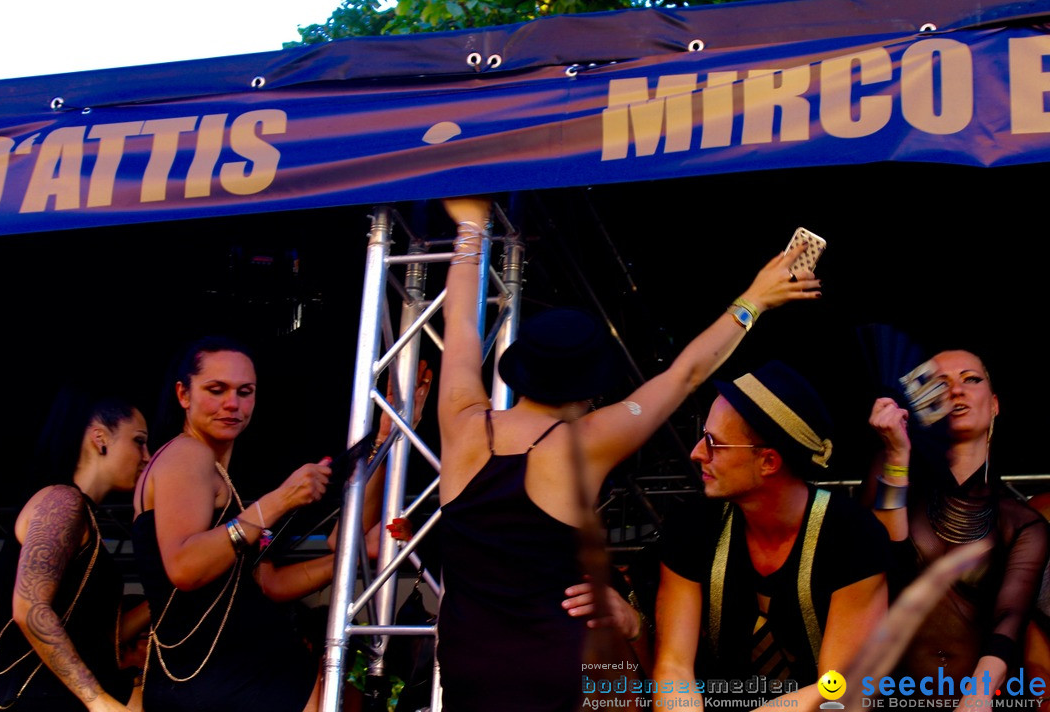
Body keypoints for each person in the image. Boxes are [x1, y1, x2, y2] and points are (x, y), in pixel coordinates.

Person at [436, 196, 819, 711]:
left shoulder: (463, 424)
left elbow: (460, 327)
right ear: (589, 385)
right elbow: (685, 374)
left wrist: (470, 228)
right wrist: (753, 302)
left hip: (468, 668)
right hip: (556, 668)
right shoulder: (589, 440)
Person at [131, 336, 429, 712]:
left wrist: (384, 441)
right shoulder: (188, 455)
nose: (232, 404)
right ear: (183, 394)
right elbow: (185, 567)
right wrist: (279, 501)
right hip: (223, 677)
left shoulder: (213, 471)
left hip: (229, 673)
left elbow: (269, 583)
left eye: (245, 392)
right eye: (216, 389)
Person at [654, 361, 891, 708]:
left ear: (768, 462)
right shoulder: (692, 525)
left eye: (713, 442)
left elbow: (839, 686)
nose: (696, 453)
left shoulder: (852, 536)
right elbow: (674, 667)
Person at [865, 349, 1049, 705]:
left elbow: (1009, 618)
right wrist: (898, 457)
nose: (956, 390)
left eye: (971, 379)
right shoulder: (890, 474)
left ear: (994, 404)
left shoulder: (1022, 523)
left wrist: (976, 698)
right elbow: (887, 569)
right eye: (940, 384)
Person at [0, 387, 152, 712]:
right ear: (100, 438)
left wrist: (166, 597)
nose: (147, 456)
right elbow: (30, 608)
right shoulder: (62, 501)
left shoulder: (84, 517)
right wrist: (96, 699)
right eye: (139, 441)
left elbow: (101, 637)